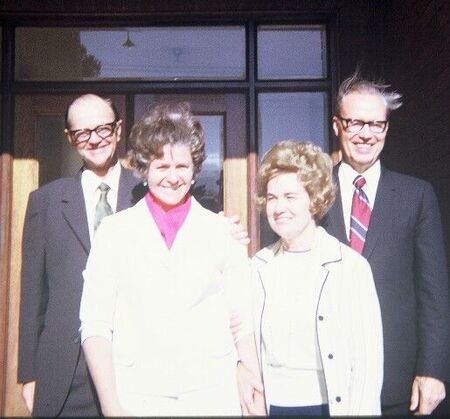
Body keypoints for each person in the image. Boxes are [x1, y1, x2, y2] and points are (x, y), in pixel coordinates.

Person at [79, 102, 263, 416]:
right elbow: (95, 326)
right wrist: (112, 407)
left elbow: (242, 321)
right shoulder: (113, 233)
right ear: (144, 169)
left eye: (182, 167)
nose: (173, 177)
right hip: (138, 397)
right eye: (162, 167)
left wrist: (251, 377)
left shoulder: (222, 232)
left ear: (195, 170)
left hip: (213, 396)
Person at [321, 71, 450, 415]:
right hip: (325, 378)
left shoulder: (416, 196)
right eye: (355, 123)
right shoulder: (313, 193)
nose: (366, 134)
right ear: (337, 126)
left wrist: (433, 370)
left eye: (377, 124)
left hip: (396, 381)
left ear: (386, 129)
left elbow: (433, 292)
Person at [18, 94, 146, 416]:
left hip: (134, 363)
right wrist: (29, 374)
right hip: (63, 372)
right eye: (82, 132)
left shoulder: (147, 193)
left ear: (118, 130)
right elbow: (33, 294)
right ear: (70, 138)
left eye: (102, 129)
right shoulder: (45, 202)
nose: (94, 140)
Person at [248, 140, 383, 416]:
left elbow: (368, 365)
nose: (279, 207)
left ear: (314, 199)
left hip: (328, 408)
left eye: (290, 196)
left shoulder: (350, 267)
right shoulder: (257, 267)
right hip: (273, 408)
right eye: (272, 197)